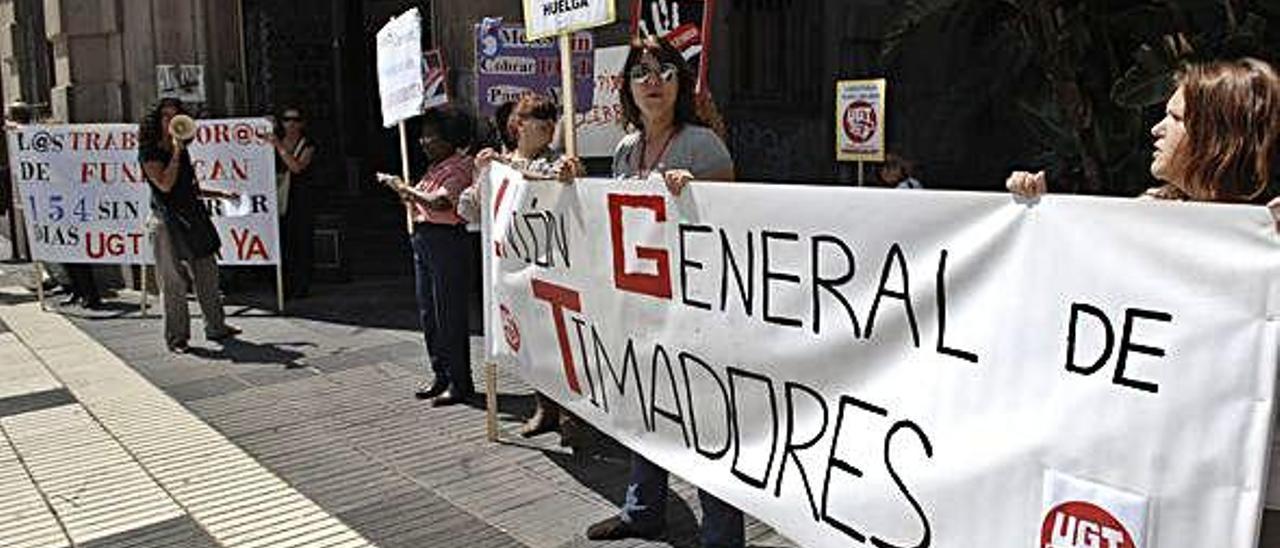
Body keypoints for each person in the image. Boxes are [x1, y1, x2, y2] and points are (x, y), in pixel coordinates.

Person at [585, 36, 742, 548]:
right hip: (641, 305)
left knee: (705, 423)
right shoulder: (626, 149)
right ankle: (643, 510)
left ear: (680, 82)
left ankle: (720, 536)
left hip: (694, 308)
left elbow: (738, 216)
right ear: (628, 87)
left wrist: (698, 191)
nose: (652, 82)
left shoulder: (702, 144)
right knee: (643, 409)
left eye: (664, 71)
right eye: (640, 73)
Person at [1009, 58, 1278, 206]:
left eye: (1175, 117)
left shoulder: (1268, 232)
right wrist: (1038, 213)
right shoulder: (1148, 214)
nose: (1156, 129)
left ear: (1216, 136)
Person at [469, 93, 583, 438]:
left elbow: (573, 193)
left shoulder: (560, 162)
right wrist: (481, 174)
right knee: (530, 343)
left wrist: (571, 176)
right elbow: (473, 209)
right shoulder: (498, 166)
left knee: (561, 344)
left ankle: (570, 414)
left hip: (554, 268)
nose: (548, 124)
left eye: (551, 117)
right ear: (518, 125)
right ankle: (544, 409)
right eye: (539, 117)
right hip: (514, 270)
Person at [139, 98, 241, 353]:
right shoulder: (149, 152)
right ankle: (177, 338)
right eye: (165, 116)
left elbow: (189, 189)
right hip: (165, 222)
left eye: (176, 116)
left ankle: (216, 326)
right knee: (173, 281)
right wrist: (175, 152)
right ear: (157, 120)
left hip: (193, 217)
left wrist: (221, 195)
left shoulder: (183, 151)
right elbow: (164, 184)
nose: (171, 121)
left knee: (207, 272)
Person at [395, 106, 477, 407]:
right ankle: (440, 373)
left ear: (448, 140)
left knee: (449, 313)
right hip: (425, 240)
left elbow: (443, 202)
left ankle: (459, 380)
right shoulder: (434, 168)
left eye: (430, 136)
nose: (423, 141)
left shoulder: (460, 166)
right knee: (429, 312)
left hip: (447, 242)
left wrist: (410, 193)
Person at [270, 106, 317, 299]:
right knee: (283, 242)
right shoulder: (275, 142)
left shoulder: (308, 145)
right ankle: (284, 284)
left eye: (295, 120)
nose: (291, 124)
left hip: (300, 199)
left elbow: (297, 167)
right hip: (278, 198)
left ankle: (301, 284)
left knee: (301, 242)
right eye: (287, 119)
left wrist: (279, 147)